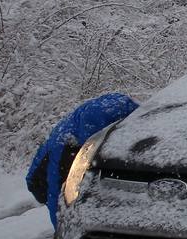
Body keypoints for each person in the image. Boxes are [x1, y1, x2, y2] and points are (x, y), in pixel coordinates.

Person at [26, 92, 139, 227]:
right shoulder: (63, 146)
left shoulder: (64, 148)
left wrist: (60, 231)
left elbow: (56, 203)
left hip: (88, 133)